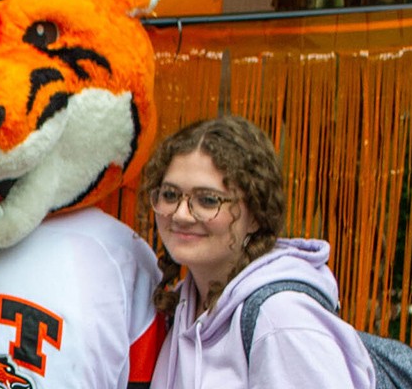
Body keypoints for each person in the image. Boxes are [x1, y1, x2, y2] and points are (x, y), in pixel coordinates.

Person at [143, 116, 375, 388]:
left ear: (255, 214)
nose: (181, 215)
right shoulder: (184, 307)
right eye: (170, 195)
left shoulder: (280, 319)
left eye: (207, 200)